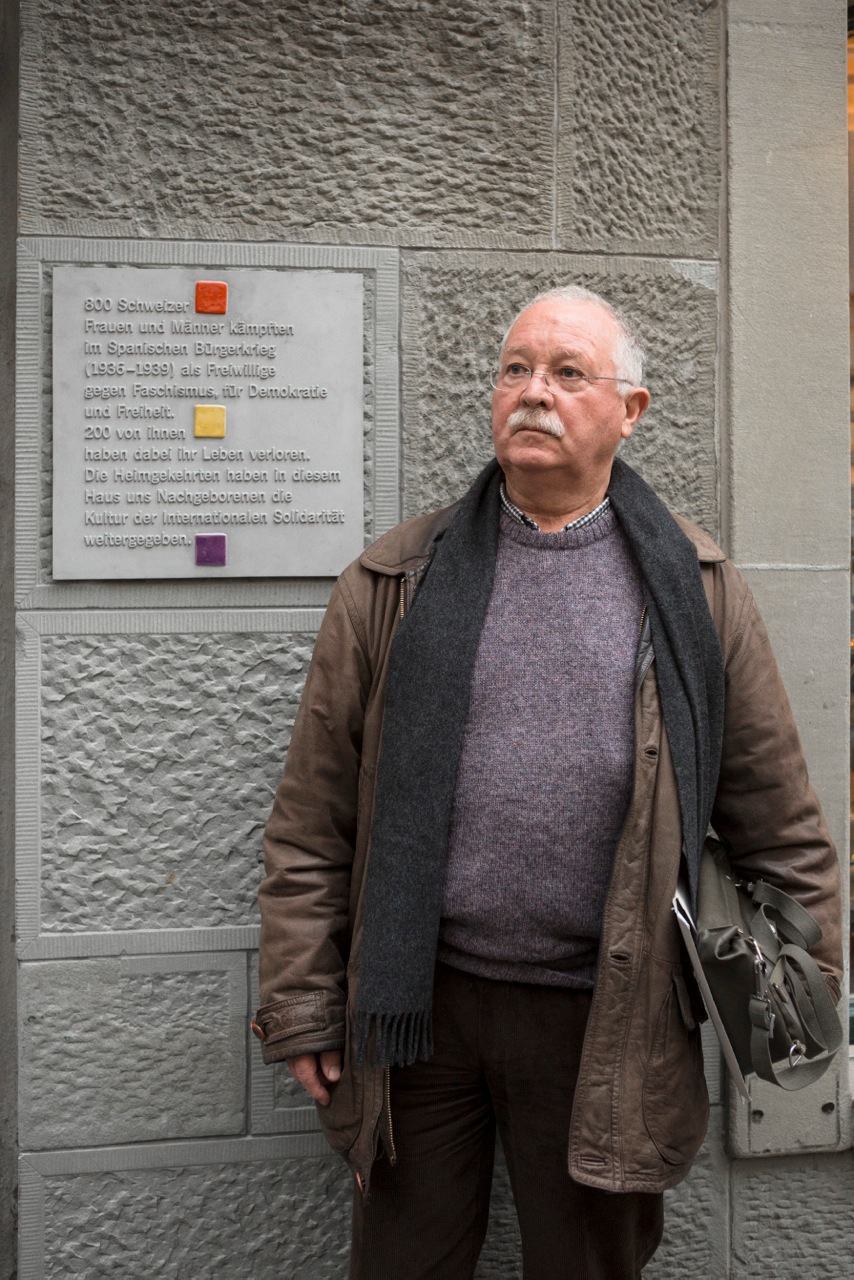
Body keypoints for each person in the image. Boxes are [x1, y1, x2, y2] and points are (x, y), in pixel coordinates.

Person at [253, 285, 842, 1280]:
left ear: (629, 408)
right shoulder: (394, 581)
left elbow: (776, 825)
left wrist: (799, 999)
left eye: (567, 372)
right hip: (416, 1011)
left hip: (604, 1017)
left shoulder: (695, 589)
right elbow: (313, 821)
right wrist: (305, 1000)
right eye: (514, 369)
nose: (532, 392)